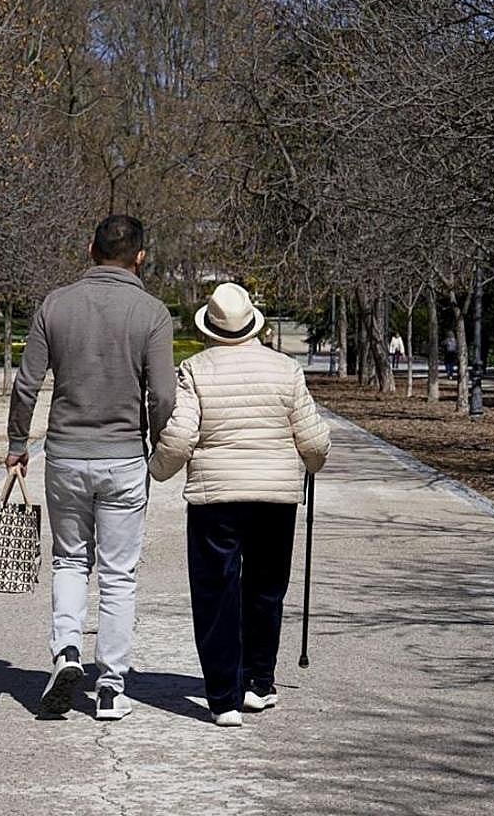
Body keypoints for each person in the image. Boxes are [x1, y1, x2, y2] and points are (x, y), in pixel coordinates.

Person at [5, 215, 176, 721]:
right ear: (140, 256)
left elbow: (26, 384)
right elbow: (163, 393)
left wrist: (18, 443)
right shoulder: (152, 312)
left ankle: (66, 652)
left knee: (69, 560)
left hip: (65, 454)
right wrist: (159, 440)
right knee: (120, 575)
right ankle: (112, 684)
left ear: (90, 249)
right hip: (123, 456)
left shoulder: (54, 305)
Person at [149, 283, 331, 727]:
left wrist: (158, 468)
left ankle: (224, 697)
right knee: (266, 589)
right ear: (253, 324)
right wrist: (312, 460)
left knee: (216, 593)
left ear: (211, 328)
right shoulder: (285, 370)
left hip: (217, 499)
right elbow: (314, 439)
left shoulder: (195, 370)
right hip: (275, 497)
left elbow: (180, 437)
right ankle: (258, 683)